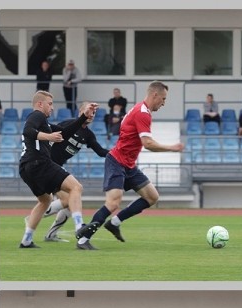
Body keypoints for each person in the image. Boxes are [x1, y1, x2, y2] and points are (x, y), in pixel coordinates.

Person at [75, 81, 185, 249]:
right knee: (113, 203)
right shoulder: (142, 113)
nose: (163, 103)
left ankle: (115, 223)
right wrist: (172, 148)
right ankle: (83, 240)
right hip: (117, 162)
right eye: (163, 99)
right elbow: (147, 143)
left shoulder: (139, 110)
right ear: (154, 95)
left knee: (152, 197)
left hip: (128, 165)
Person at [17, 92, 97, 248]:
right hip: (39, 163)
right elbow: (27, 130)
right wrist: (49, 137)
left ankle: (26, 240)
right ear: (40, 104)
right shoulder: (37, 116)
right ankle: (80, 227)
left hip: (26, 168)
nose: (52, 108)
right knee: (76, 187)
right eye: (50, 103)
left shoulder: (43, 123)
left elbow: (64, 132)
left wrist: (82, 118)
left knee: (45, 201)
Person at [41, 101, 111, 242]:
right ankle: (36, 215)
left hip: (58, 168)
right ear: (80, 111)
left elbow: (101, 151)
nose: (91, 115)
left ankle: (50, 235)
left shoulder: (89, 135)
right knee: (70, 198)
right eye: (88, 111)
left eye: (94, 113)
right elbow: (48, 136)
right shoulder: (68, 124)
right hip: (49, 166)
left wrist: (118, 152)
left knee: (69, 203)